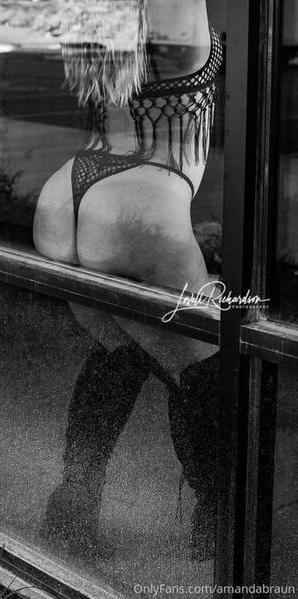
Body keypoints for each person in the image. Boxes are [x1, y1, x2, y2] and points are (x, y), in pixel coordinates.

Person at [32, 0, 223, 561]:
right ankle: (220, 516)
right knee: (210, 373)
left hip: (66, 197)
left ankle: (71, 510)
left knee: (120, 356)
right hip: (138, 204)